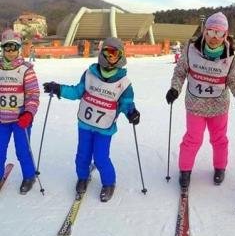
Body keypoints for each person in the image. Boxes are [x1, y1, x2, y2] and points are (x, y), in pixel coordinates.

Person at [43, 37, 140, 202]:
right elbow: (77, 91)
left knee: (101, 157)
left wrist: (131, 112)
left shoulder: (124, 83)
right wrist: (59, 89)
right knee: (82, 155)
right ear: (101, 54)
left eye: (114, 54)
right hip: (85, 125)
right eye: (107, 53)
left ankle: (109, 183)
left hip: (105, 128)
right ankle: (83, 177)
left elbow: (126, 103)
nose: (110, 57)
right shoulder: (89, 74)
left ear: (121, 56)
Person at [165, 11, 235, 188]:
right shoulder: (191, 49)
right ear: (205, 31)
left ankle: (220, 168)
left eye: (219, 33)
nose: (214, 37)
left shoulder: (230, 55)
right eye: (211, 31)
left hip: (218, 106)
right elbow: (180, 72)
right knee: (192, 138)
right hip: (195, 105)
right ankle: (185, 170)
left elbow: (232, 79)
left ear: (225, 34)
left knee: (219, 139)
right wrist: (175, 88)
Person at [0, 29, 40, 194]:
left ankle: (29, 175)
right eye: (7, 47)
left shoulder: (26, 69)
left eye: (14, 47)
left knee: (22, 149)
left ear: (19, 49)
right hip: (2, 120)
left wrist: (29, 113)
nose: (11, 51)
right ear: (2, 49)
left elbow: (33, 94)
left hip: (20, 120)